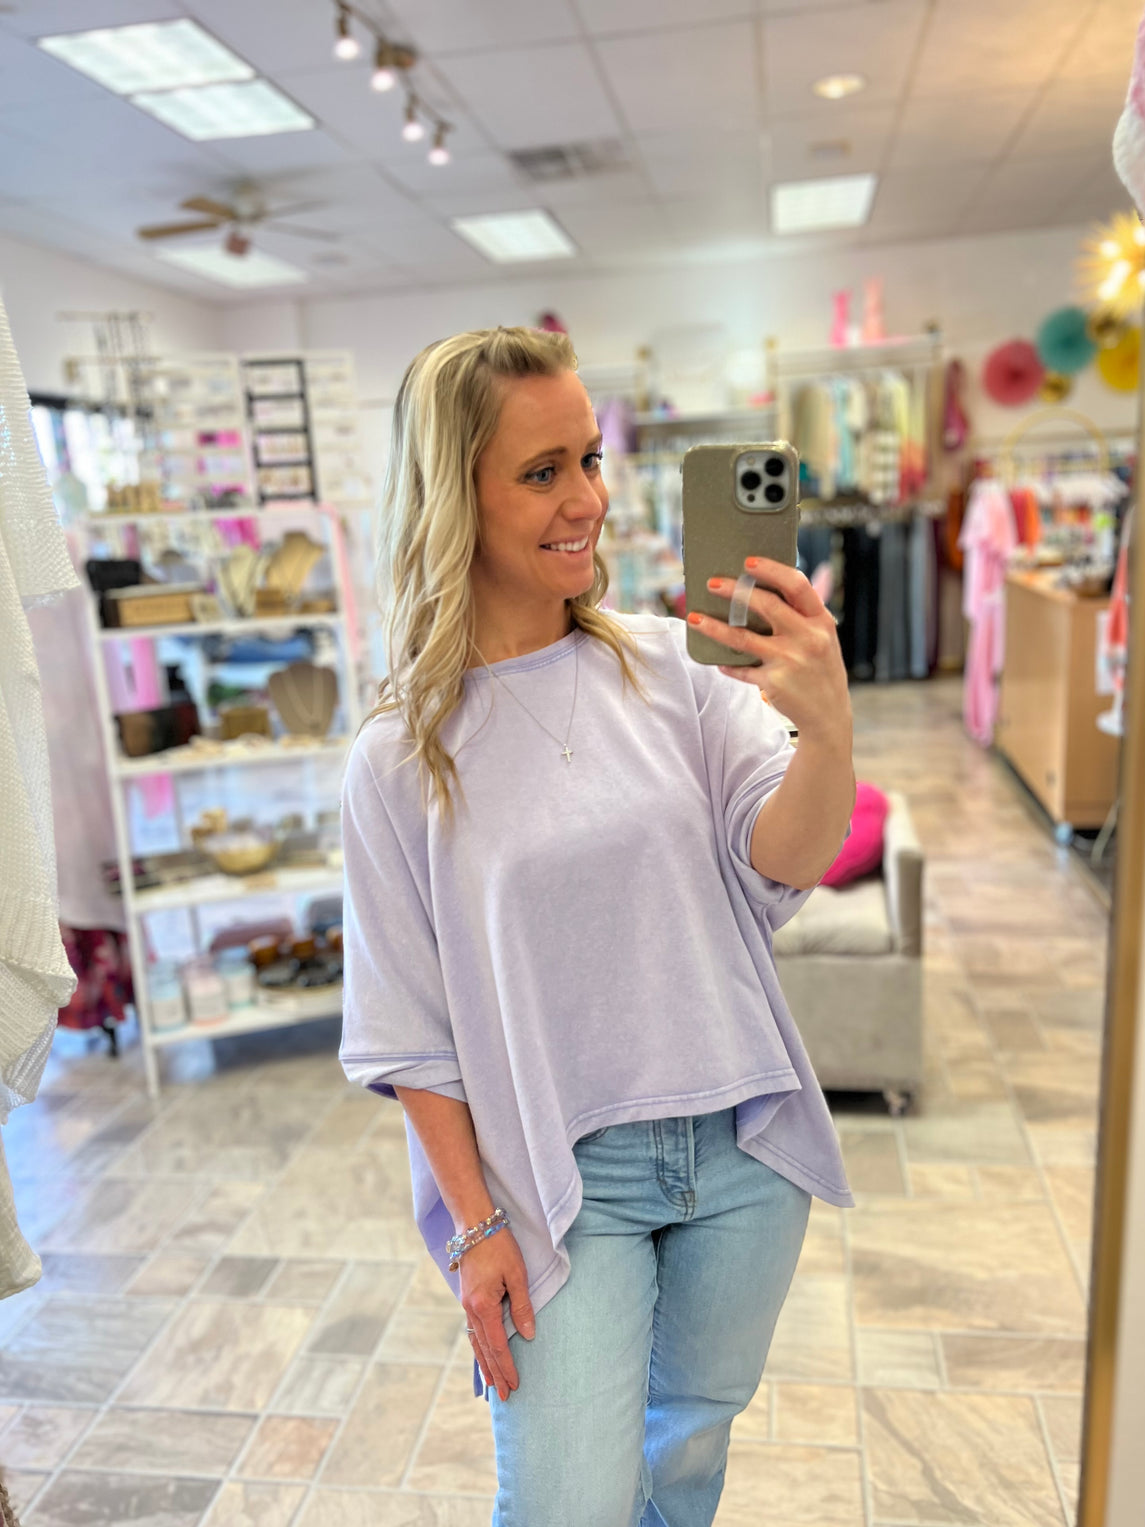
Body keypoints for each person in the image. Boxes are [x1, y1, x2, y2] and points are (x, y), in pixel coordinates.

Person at [340, 326, 855, 1526]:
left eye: (590, 459)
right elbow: (408, 1033)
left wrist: (827, 729)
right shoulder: (398, 757)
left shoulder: (674, 671)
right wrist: (474, 1229)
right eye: (542, 472)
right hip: (559, 1181)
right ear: (453, 497)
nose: (587, 501)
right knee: (567, 1500)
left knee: (684, 1465)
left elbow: (785, 861)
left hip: (740, 1148)